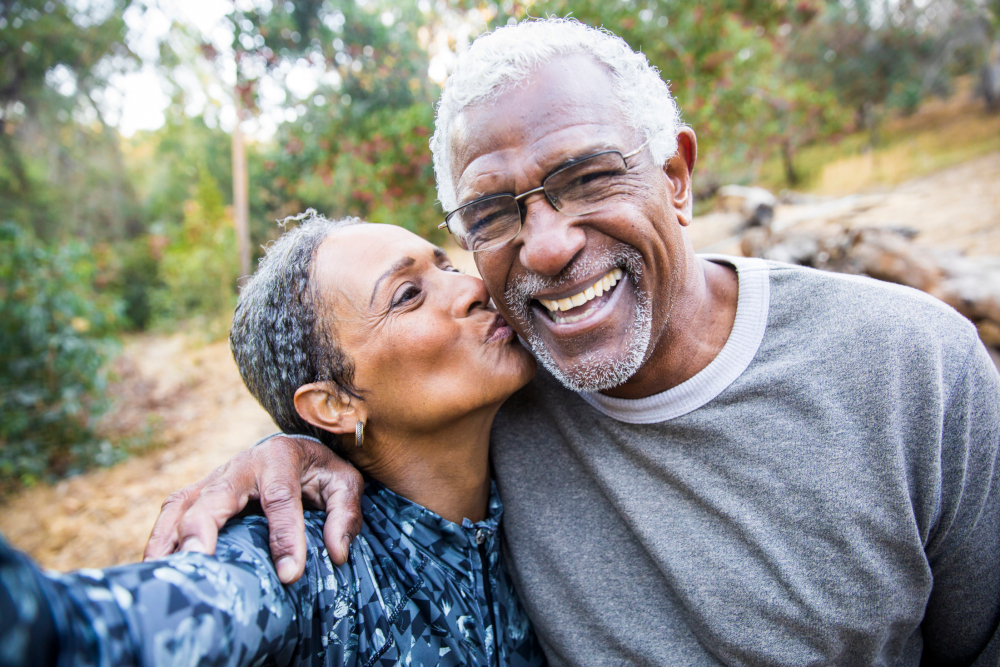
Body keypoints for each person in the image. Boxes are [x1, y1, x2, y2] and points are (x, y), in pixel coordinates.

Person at [144, 19, 1000, 666]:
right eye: (492, 213)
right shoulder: (498, 390)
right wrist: (284, 451)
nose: (546, 246)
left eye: (589, 177)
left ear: (676, 176)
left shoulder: (911, 366)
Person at [0, 213, 545, 667]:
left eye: (447, 263)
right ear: (335, 404)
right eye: (407, 295)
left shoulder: (550, 434)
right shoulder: (305, 565)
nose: (475, 287)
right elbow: (82, 633)